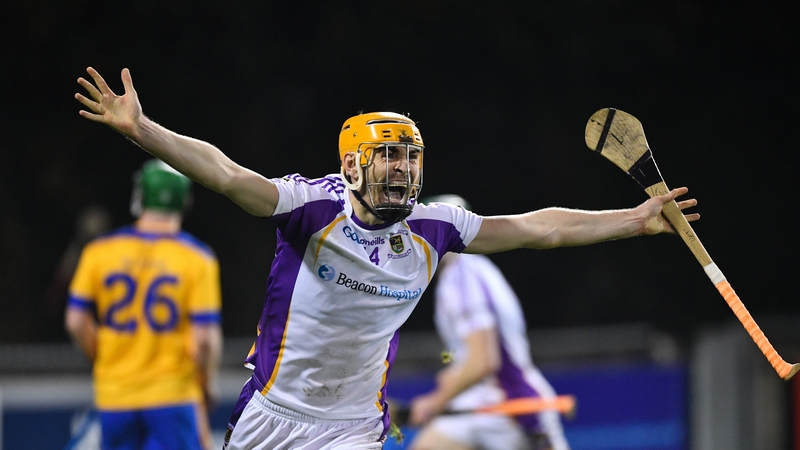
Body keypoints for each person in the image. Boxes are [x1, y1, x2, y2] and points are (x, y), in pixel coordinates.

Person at [74, 67, 699, 450]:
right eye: (390, 157)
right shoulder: (310, 207)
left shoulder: (437, 227)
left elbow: (542, 231)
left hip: (352, 428)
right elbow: (225, 173)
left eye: (411, 157)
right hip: (270, 413)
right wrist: (144, 129)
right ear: (352, 166)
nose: (404, 171)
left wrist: (636, 220)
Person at [65, 158, 224, 450]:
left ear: (140, 197)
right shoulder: (197, 258)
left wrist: (103, 357)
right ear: (183, 201)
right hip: (173, 394)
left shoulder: (100, 252)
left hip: (115, 395)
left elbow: (76, 321)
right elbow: (204, 340)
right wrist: (206, 383)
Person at [407, 194, 570, 450]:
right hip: (484, 402)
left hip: (509, 405)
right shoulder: (471, 271)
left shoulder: (462, 277)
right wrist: (455, 373)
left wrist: (436, 400)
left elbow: (485, 360)